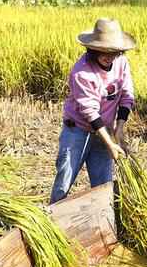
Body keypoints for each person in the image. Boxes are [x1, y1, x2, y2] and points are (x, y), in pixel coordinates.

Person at [50, 18, 136, 204]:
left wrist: (118, 130)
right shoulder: (82, 72)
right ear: (93, 48)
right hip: (77, 130)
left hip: (104, 129)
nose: (109, 56)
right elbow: (90, 113)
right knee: (64, 183)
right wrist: (110, 144)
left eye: (113, 51)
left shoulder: (121, 63)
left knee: (103, 187)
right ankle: (53, 220)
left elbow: (127, 95)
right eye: (103, 51)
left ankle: (103, 224)